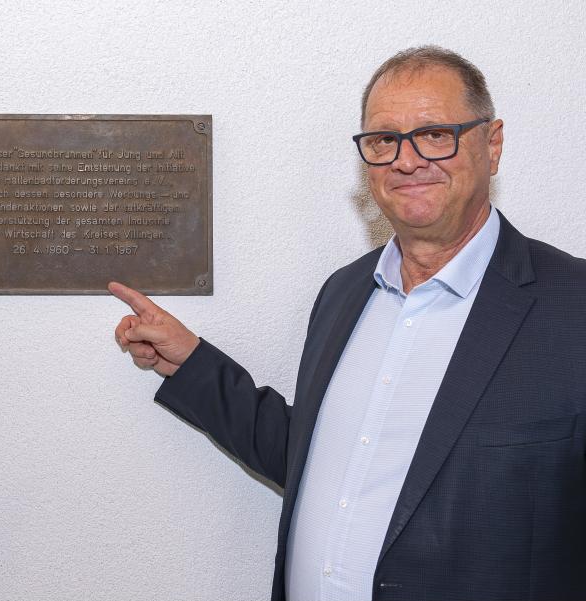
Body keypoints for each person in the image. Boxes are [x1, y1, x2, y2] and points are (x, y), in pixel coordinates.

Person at [109, 46, 586, 601]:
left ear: (493, 143)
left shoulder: (573, 308)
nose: (406, 161)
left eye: (436, 134)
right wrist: (191, 363)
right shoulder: (344, 292)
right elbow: (313, 458)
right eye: (384, 140)